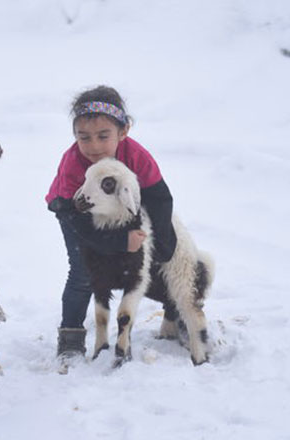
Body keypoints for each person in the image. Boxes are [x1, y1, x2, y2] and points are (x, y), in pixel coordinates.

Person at [45, 85, 178, 364]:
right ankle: (70, 338)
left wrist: (165, 243)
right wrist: (118, 242)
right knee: (83, 272)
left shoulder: (136, 156)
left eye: (103, 136)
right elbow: (80, 224)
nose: (93, 146)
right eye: (84, 137)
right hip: (73, 212)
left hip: (121, 211)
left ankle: (174, 313)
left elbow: (159, 198)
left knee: (147, 264)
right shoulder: (73, 164)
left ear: (123, 131)